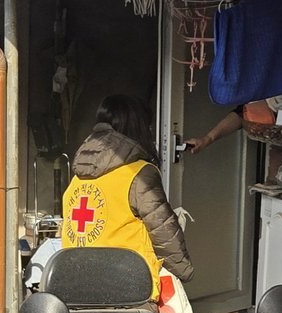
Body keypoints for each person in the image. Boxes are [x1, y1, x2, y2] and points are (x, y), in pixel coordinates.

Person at [61, 94, 194, 301]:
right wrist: (184, 270)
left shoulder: (79, 176)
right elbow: (163, 231)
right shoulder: (139, 173)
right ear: (139, 128)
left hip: (77, 287)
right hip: (128, 288)